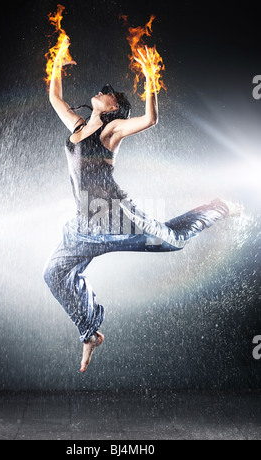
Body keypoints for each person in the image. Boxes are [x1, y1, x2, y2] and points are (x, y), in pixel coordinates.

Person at [43, 43, 242, 373]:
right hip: (84, 225)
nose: (105, 91)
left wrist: (151, 75)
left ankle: (217, 207)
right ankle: (90, 334)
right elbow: (55, 99)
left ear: (113, 109)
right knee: (53, 274)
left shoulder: (111, 131)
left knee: (173, 240)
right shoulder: (78, 126)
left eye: (112, 95)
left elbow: (150, 118)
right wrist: (57, 63)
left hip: (117, 219)